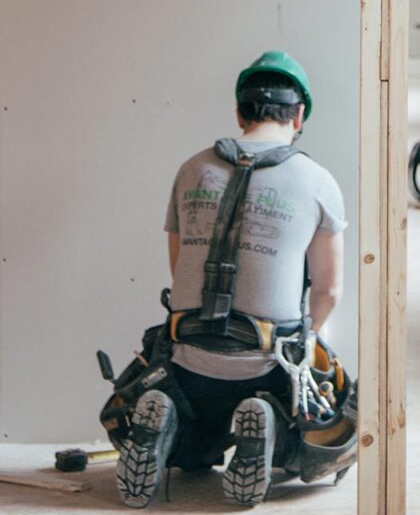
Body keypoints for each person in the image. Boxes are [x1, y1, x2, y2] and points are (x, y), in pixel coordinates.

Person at [115, 51, 347, 508]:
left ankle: (173, 430)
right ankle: (268, 424)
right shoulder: (317, 180)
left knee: (194, 446)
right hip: (265, 365)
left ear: (239, 113)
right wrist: (308, 342)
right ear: (299, 115)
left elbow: (179, 269)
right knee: (332, 424)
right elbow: (328, 291)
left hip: (186, 365)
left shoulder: (192, 169)